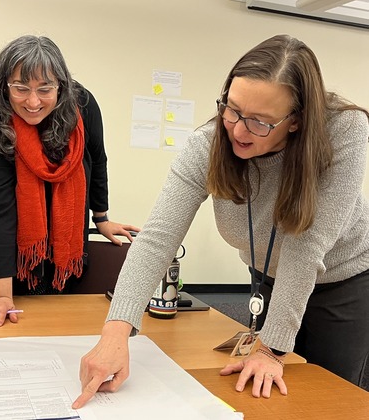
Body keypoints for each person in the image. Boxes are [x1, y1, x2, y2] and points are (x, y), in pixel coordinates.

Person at [72, 34, 369, 409]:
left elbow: (305, 245)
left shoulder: (344, 130)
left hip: (345, 279)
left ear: (296, 121)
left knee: (328, 397)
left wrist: (272, 349)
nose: (238, 131)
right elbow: (157, 239)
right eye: (232, 109)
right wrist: (116, 330)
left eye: (260, 121)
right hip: (269, 276)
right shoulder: (208, 144)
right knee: (265, 393)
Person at [0, 35, 139, 327]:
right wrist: (3, 296)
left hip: (62, 216)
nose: (32, 102)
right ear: (4, 84)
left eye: (45, 89)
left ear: (61, 87)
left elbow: (97, 158)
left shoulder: (83, 105)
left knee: (55, 315)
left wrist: (101, 217)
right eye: (20, 88)